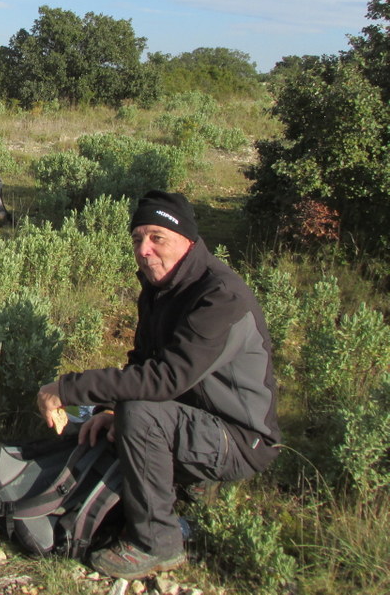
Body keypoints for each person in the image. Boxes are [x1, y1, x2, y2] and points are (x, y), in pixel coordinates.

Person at [37, 190, 280, 580]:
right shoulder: (162, 286)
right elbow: (144, 361)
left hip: (242, 440)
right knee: (118, 417)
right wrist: (110, 411)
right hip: (197, 416)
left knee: (141, 411)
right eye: (137, 239)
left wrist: (65, 389)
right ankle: (191, 485)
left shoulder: (221, 297)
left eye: (157, 238)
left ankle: (157, 543)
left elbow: (165, 379)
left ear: (188, 240)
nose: (144, 250)